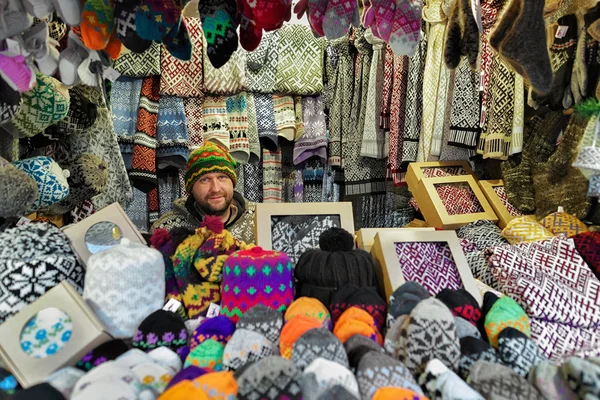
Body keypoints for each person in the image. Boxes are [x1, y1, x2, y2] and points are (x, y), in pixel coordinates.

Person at [151, 143, 256, 243]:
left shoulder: (258, 220)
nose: (215, 189)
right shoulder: (165, 230)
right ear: (191, 188)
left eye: (222, 177)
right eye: (205, 180)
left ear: (233, 183)